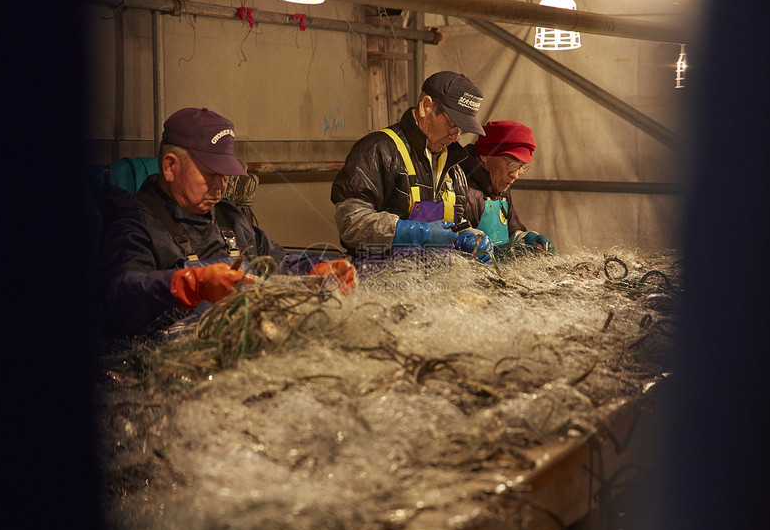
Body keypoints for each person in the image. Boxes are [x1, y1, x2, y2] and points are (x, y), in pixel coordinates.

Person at [97, 107, 356, 337]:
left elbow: (274, 262)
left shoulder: (228, 216)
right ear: (170, 167)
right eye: (211, 174)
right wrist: (192, 283)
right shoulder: (134, 222)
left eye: (226, 175)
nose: (221, 187)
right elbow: (120, 295)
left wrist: (315, 270)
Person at [331, 71, 493, 264]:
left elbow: (455, 225)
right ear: (426, 106)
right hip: (382, 284)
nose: (455, 136)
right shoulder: (377, 150)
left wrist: (471, 236)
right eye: (452, 125)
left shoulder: (454, 169)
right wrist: (412, 233)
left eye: (461, 130)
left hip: (435, 285)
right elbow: (351, 223)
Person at [462, 120, 555, 256]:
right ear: (485, 156)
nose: (515, 175)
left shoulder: (499, 184)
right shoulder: (461, 185)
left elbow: (512, 229)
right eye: (512, 165)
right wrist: (495, 252)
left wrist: (529, 238)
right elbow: (456, 241)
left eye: (521, 167)